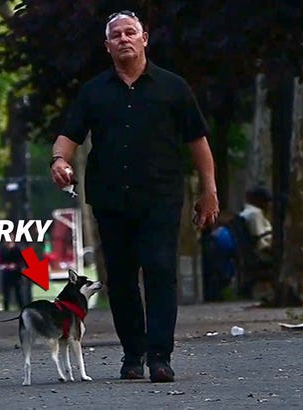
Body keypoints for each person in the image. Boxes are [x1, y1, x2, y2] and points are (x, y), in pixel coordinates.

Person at [49, 10, 219, 383]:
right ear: (107, 46)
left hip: (161, 195)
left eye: (131, 32)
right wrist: (59, 160)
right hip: (111, 199)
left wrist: (209, 191)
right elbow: (69, 135)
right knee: (122, 278)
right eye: (116, 35)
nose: (124, 39)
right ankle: (133, 353)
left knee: (160, 271)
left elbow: (198, 141)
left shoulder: (173, 88)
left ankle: (160, 356)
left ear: (145, 39)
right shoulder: (93, 91)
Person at [239, 186, 273, 258]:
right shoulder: (255, 213)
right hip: (260, 255)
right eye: (267, 202)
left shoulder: (246, 212)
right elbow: (261, 243)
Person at [0, 240, 27, 311]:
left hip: (16, 274)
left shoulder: (17, 249)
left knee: (18, 292)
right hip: (6, 274)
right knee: (6, 292)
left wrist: (15, 265)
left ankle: (21, 308)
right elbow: (0, 262)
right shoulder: (2, 250)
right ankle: (6, 308)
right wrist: (5, 266)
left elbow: (22, 261)